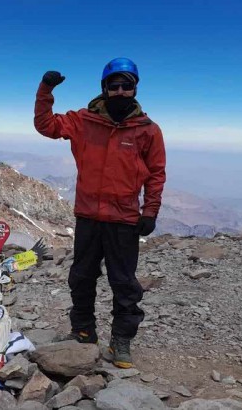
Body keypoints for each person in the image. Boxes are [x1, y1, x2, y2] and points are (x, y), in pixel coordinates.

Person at [33, 58, 166, 369]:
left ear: (135, 88)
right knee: (81, 277)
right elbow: (46, 125)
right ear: (104, 88)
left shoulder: (148, 130)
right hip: (89, 216)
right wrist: (46, 89)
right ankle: (83, 331)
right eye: (114, 85)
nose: (120, 91)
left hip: (124, 220)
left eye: (126, 85)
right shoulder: (83, 121)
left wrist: (150, 210)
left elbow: (156, 173)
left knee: (124, 283)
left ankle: (121, 341)